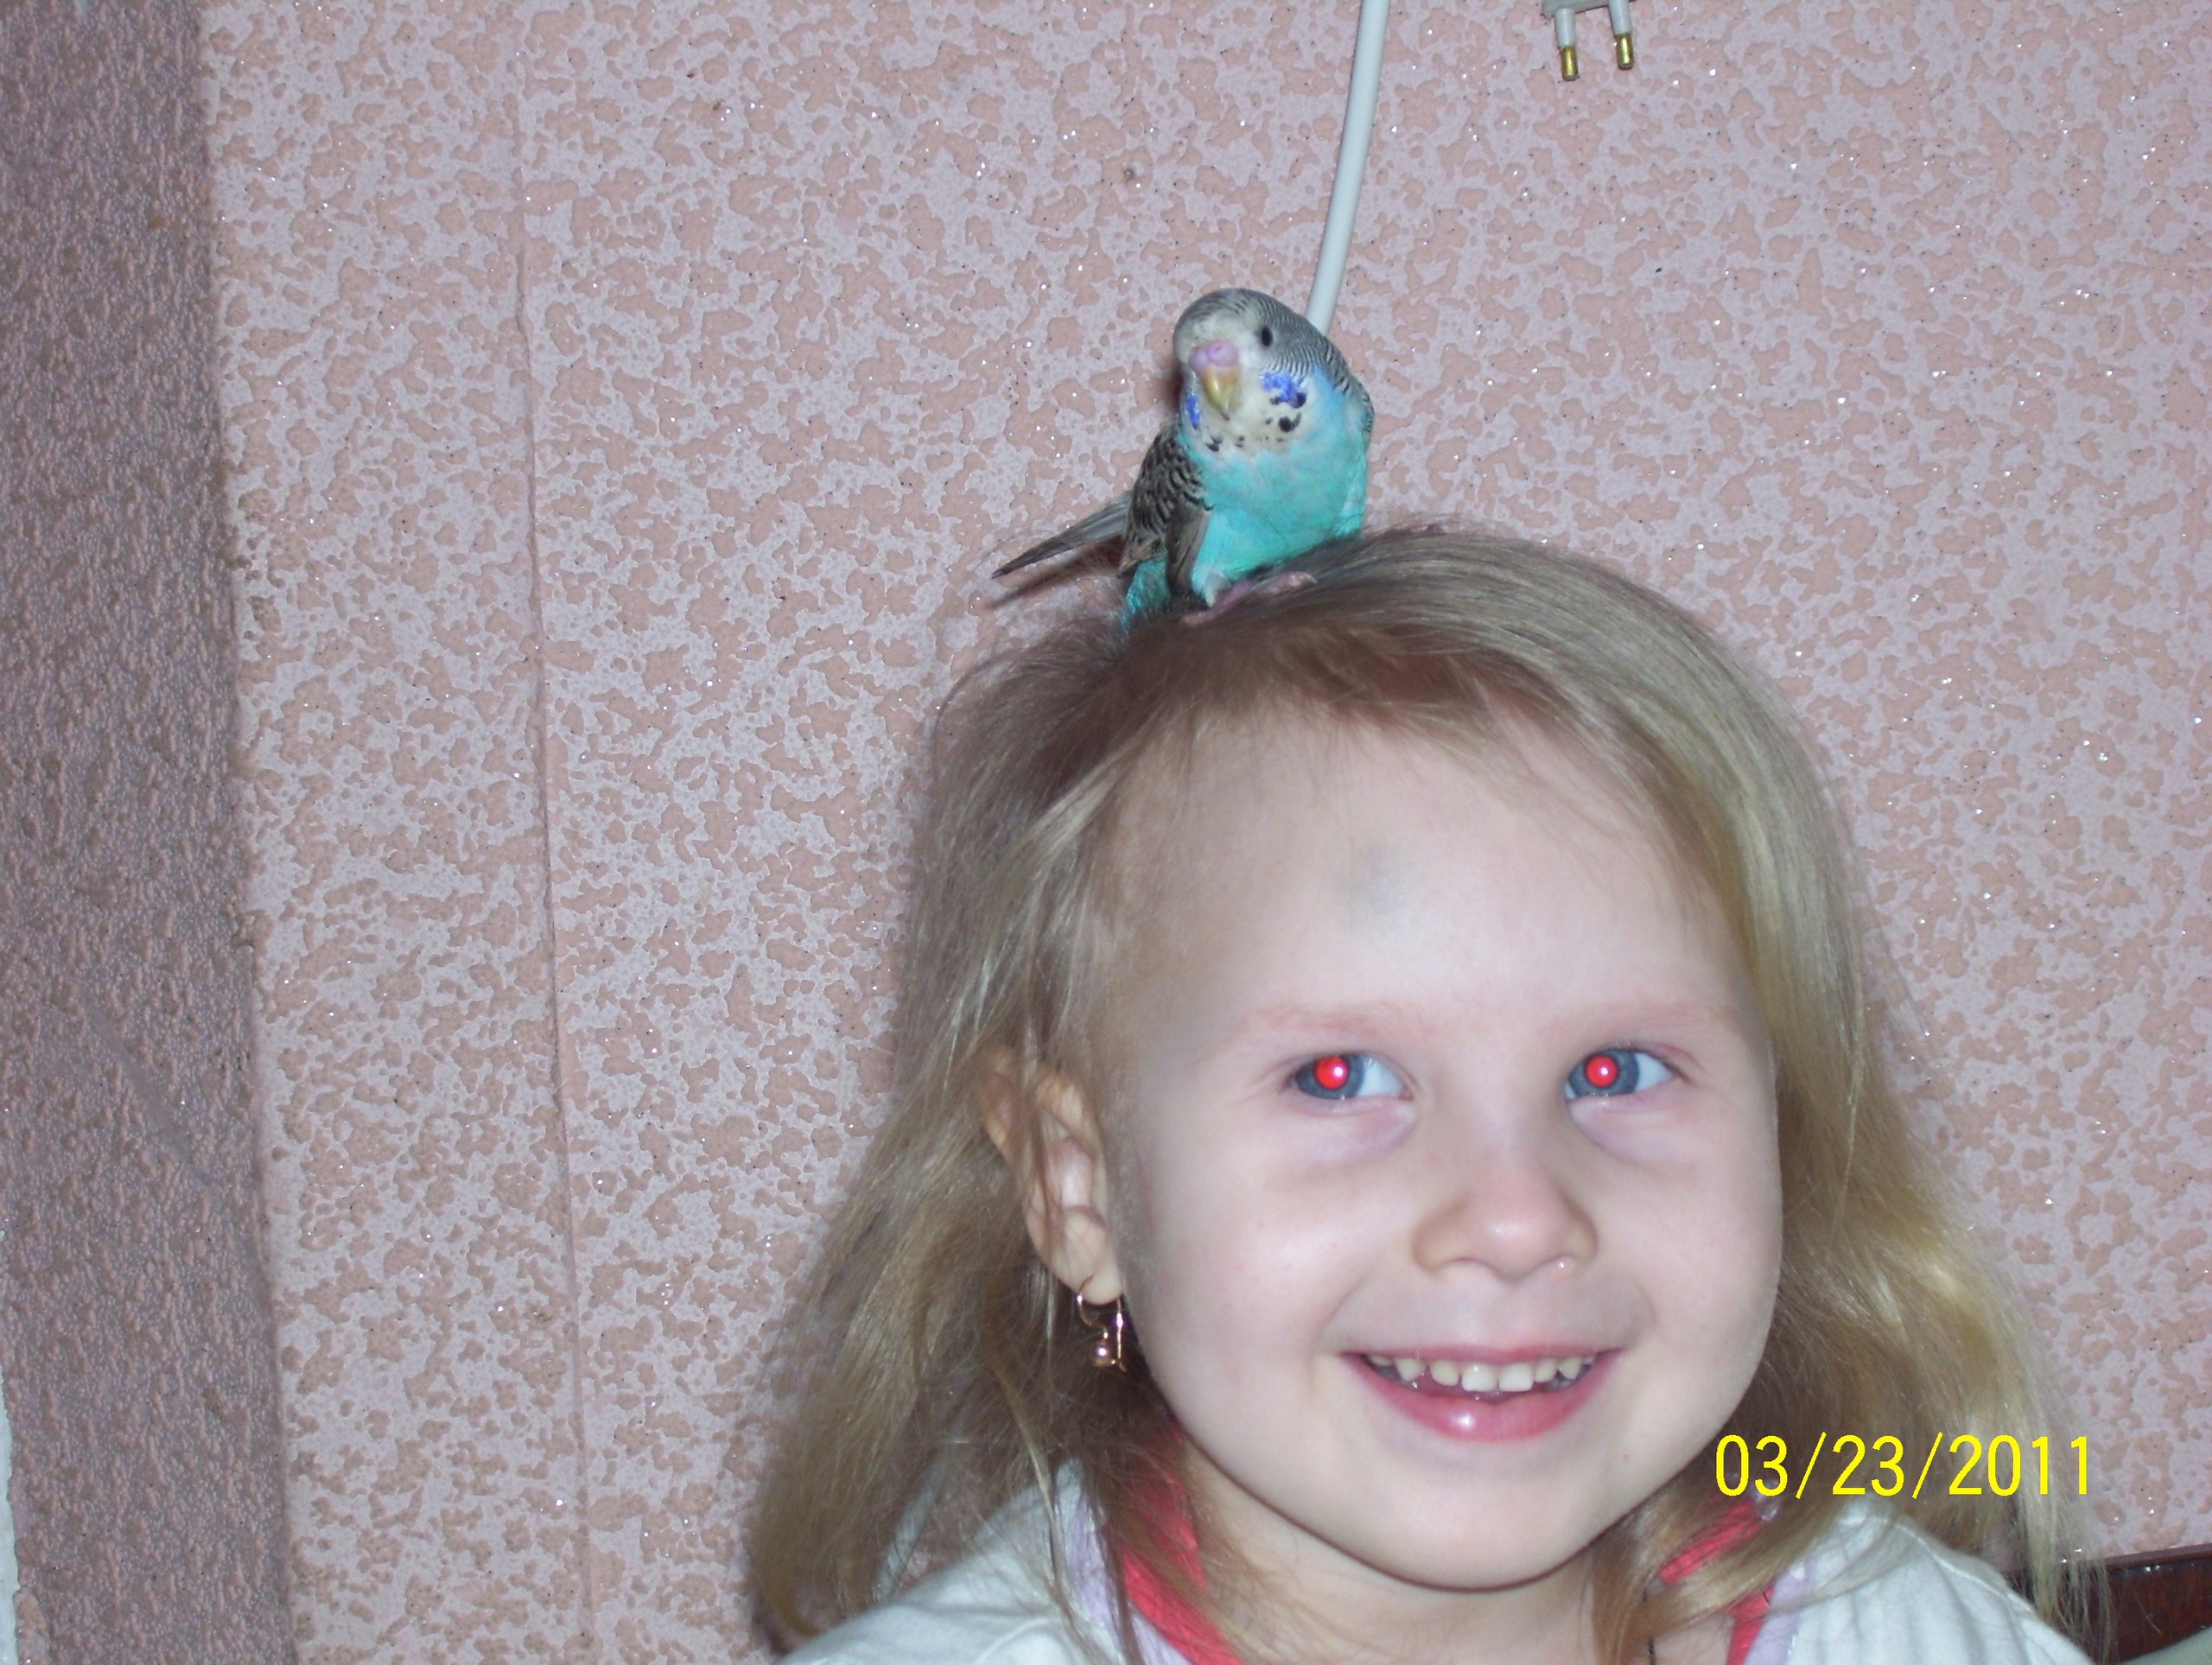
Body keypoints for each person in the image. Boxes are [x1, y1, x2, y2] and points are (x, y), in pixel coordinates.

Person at [747, 530, 2098, 1664]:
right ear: (1077, 1186)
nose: (1516, 1219)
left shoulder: (1909, 1632)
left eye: (1618, 1070)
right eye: (1339, 1078)